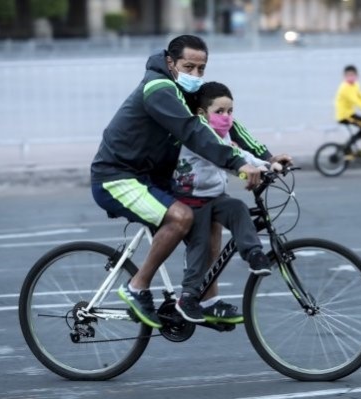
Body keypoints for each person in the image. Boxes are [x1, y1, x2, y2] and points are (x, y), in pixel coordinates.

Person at [90, 35, 264, 329]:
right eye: (189, 67)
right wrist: (238, 164)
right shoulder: (159, 89)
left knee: (209, 213)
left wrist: (267, 158)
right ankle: (137, 286)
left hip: (152, 179)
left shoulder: (184, 92)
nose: (196, 75)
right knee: (181, 216)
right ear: (171, 63)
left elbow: (221, 125)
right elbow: (192, 131)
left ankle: (206, 300)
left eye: (201, 69)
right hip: (116, 176)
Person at [173, 82, 282, 323]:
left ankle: (254, 254)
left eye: (230, 111)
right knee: (200, 247)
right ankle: (189, 296)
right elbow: (226, 157)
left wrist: (268, 165)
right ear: (203, 113)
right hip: (192, 201)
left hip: (214, 197)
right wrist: (248, 171)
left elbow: (241, 154)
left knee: (238, 209)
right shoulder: (199, 134)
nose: (226, 117)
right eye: (219, 112)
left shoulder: (222, 134)